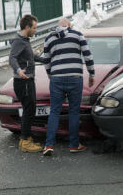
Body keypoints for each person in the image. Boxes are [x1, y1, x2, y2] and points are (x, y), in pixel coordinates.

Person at [42, 18, 95, 156]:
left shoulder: (49, 38)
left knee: (54, 111)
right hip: (75, 78)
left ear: (58, 26)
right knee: (74, 112)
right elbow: (88, 56)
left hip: (56, 79)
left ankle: (49, 145)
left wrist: (50, 74)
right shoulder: (77, 35)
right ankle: (74, 145)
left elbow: (46, 60)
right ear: (69, 25)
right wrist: (92, 74)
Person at [9, 14, 45, 152]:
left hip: (28, 80)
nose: (36, 30)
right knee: (29, 110)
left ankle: (27, 138)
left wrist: (45, 60)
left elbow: (31, 57)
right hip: (23, 81)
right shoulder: (19, 41)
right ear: (27, 27)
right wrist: (18, 71)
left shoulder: (25, 40)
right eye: (34, 27)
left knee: (30, 109)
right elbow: (12, 58)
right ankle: (24, 142)